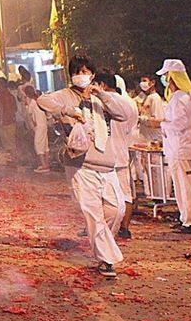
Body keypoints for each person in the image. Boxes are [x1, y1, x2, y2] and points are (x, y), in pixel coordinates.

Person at [38, 56, 132, 278]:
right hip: (81, 165)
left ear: (93, 75)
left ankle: (102, 247)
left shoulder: (100, 97)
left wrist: (101, 94)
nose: (83, 75)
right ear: (72, 74)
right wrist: (72, 111)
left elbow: (124, 114)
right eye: (78, 71)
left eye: (87, 71)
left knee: (116, 209)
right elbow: (43, 101)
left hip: (107, 164)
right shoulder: (65, 95)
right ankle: (106, 259)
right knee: (93, 214)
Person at [95, 72, 139, 240]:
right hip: (122, 152)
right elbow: (131, 127)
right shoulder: (128, 102)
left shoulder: (100, 102)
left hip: (104, 155)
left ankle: (104, 226)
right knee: (125, 194)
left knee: (102, 196)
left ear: (103, 85)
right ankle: (124, 228)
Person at [158, 59, 191, 230]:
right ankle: (185, 217)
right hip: (182, 147)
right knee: (182, 186)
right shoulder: (188, 95)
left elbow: (179, 123)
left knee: (185, 187)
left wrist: (160, 123)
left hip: (180, 147)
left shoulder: (179, 97)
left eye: (166, 75)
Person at [20, 85, 50, 172]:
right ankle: (46, 164)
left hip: (39, 126)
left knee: (38, 145)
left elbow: (28, 113)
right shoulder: (39, 99)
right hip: (44, 124)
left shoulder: (33, 102)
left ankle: (44, 165)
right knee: (45, 145)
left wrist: (25, 103)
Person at [0, 77, 18, 152]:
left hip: (4, 122)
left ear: (0, 85)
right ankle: (15, 160)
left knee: (6, 143)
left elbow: (0, 107)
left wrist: (0, 120)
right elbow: (15, 109)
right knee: (12, 143)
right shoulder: (11, 96)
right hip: (12, 121)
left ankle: (10, 160)